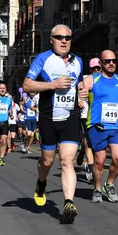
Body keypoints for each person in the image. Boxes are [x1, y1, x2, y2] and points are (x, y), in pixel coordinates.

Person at [22, 24, 87, 223]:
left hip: (71, 117)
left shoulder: (78, 61)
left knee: (67, 161)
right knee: (48, 161)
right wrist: (53, 85)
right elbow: (26, 85)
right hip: (49, 118)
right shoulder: (43, 59)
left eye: (67, 37)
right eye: (59, 37)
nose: (64, 40)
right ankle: (41, 183)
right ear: (52, 40)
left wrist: (82, 93)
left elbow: (80, 84)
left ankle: (68, 202)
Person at [82, 50, 118, 203]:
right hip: (97, 126)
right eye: (107, 61)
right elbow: (80, 90)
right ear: (101, 63)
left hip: (116, 125)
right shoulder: (92, 79)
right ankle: (97, 188)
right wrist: (80, 99)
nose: (111, 63)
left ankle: (109, 185)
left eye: (114, 61)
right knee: (100, 162)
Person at [77, 57, 101, 181]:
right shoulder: (85, 79)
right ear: (90, 68)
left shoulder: (104, 80)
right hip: (85, 115)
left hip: (101, 117)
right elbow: (76, 92)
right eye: (94, 68)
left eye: (98, 67)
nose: (96, 69)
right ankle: (91, 169)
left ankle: (82, 152)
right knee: (87, 142)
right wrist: (78, 100)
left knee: (96, 144)